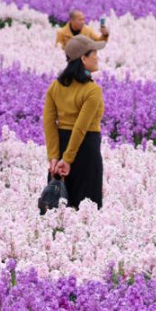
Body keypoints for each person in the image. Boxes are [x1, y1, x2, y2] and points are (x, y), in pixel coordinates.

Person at [43, 34, 106, 211]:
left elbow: (49, 123)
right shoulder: (92, 90)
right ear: (84, 59)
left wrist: (55, 157)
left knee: (58, 206)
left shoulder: (55, 86)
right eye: (94, 53)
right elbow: (81, 127)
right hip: (86, 150)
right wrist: (68, 160)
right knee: (86, 208)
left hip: (62, 146)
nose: (97, 57)